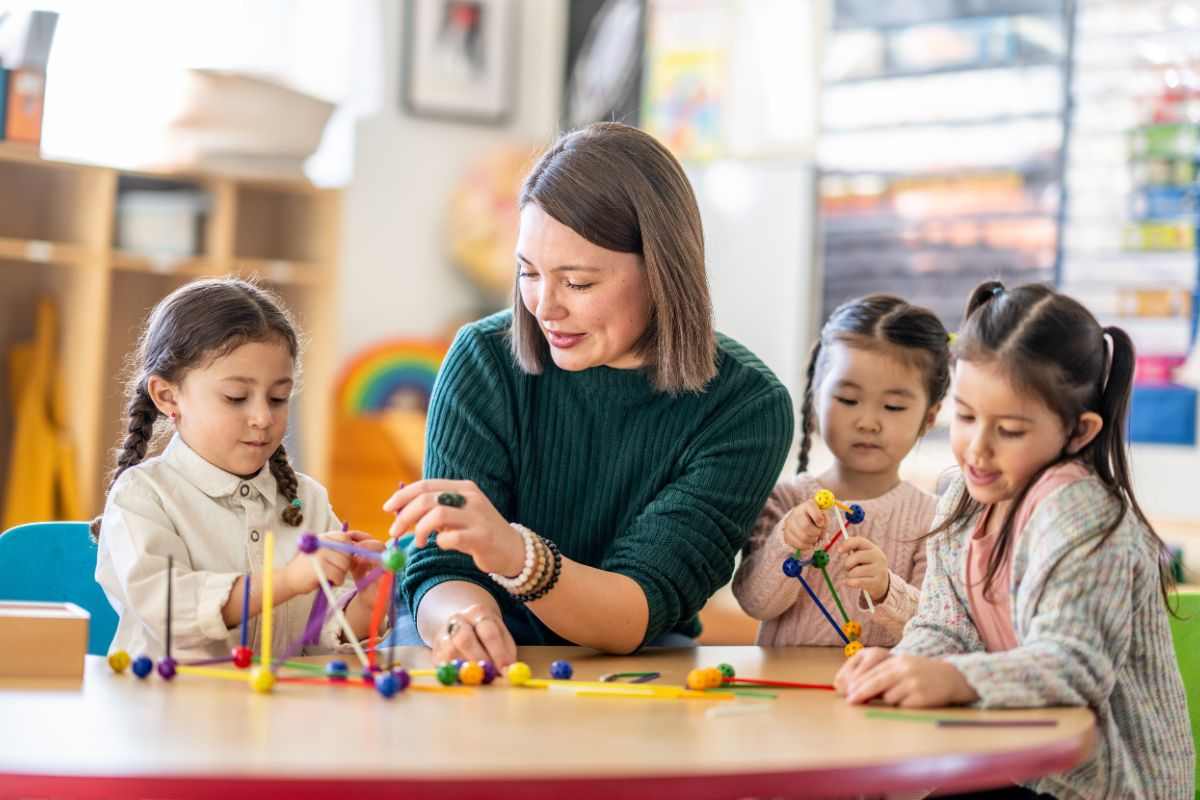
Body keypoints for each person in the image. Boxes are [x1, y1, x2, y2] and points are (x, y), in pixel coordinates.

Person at [385, 122, 794, 666]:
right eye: (528, 272)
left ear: (663, 273)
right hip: (473, 634)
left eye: (577, 282)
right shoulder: (484, 357)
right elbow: (442, 568)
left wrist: (515, 555)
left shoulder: (746, 407)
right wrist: (464, 622)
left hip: (631, 647)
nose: (544, 306)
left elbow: (639, 607)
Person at [835, 281, 1194, 799]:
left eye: (1009, 430)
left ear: (1079, 432)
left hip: (1106, 788)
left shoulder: (1083, 517)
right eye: (965, 416)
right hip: (1023, 766)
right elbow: (944, 625)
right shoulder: (962, 498)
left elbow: (1074, 666)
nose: (977, 449)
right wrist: (904, 668)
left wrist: (953, 679)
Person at [95, 278, 382, 661]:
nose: (263, 417)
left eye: (278, 398)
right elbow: (169, 610)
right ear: (167, 396)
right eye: (236, 397)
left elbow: (319, 636)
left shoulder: (307, 501)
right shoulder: (142, 496)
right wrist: (286, 581)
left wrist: (367, 602)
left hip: (278, 700)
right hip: (162, 698)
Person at [734, 294, 950, 646]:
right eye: (848, 400)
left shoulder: (933, 520)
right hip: (787, 681)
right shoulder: (785, 500)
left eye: (893, 406)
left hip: (878, 681)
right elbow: (754, 603)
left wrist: (886, 589)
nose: (868, 422)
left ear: (929, 417)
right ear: (815, 399)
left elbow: (937, 631)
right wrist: (787, 542)